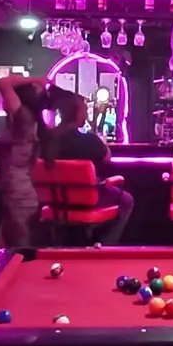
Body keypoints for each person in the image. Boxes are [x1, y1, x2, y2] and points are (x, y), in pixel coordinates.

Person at [54, 92, 134, 245]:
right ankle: (103, 246)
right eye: (85, 110)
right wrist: (100, 141)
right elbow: (107, 157)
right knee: (126, 200)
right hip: (86, 198)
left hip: (54, 200)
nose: (86, 115)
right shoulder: (88, 141)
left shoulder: (46, 139)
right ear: (76, 113)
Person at [0, 74, 55, 250]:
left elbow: (3, 82)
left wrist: (35, 79)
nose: (3, 101)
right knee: (6, 246)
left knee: (19, 249)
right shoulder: (27, 120)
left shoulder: (23, 116)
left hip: (18, 192)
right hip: (19, 189)